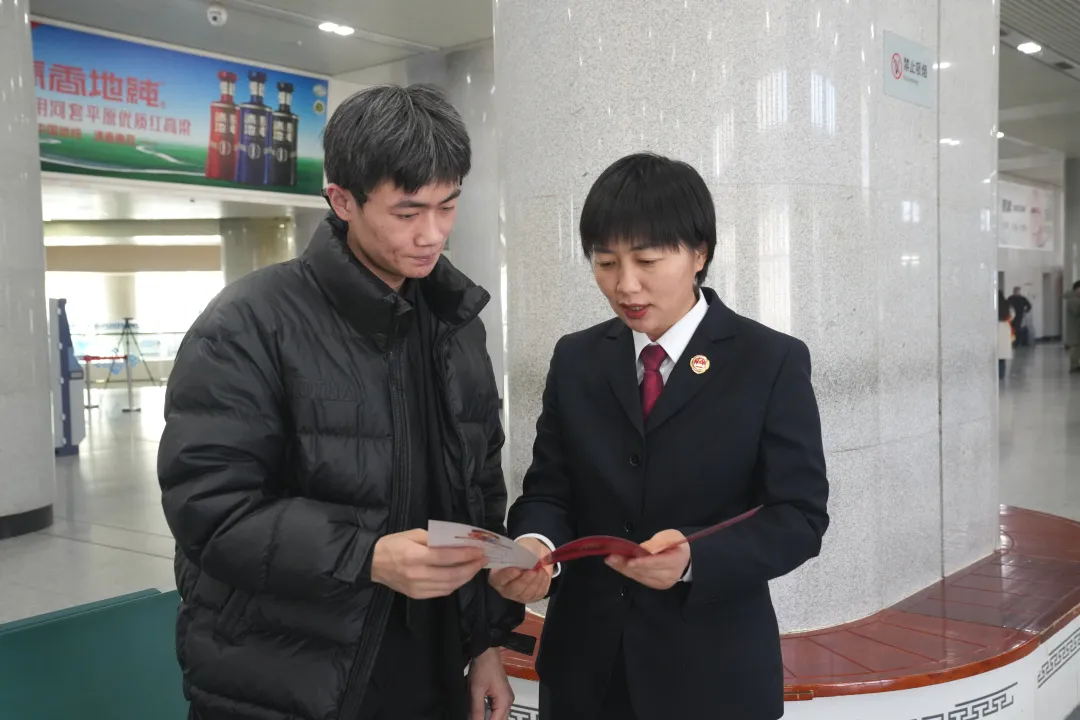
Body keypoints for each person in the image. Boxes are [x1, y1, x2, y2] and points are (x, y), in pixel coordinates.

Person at [158, 84, 523, 720]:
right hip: (289, 677)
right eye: (407, 212)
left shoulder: (457, 324)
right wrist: (367, 556)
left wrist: (485, 644)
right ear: (342, 200)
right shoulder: (250, 322)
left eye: (448, 206)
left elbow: (478, 496)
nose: (432, 234)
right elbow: (209, 512)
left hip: (434, 668)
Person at [490, 153, 830, 720]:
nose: (626, 285)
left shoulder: (768, 361)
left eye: (647, 260)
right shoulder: (576, 359)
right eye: (605, 262)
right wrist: (535, 546)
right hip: (585, 671)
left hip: (712, 675)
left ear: (699, 253)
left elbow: (799, 516)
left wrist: (695, 556)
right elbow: (549, 490)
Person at [998, 290, 1014, 380]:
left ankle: (994, 374)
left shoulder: (992, 304)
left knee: (994, 353)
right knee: (1002, 354)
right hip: (1004, 327)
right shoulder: (1007, 304)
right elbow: (1012, 315)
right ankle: (1001, 374)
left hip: (994, 327)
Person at [1066, 280, 1080, 374]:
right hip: (1074, 328)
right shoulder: (1072, 300)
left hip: (1077, 327)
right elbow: (1076, 311)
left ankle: (1076, 365)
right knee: (1075, 348)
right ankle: (1074, 366)